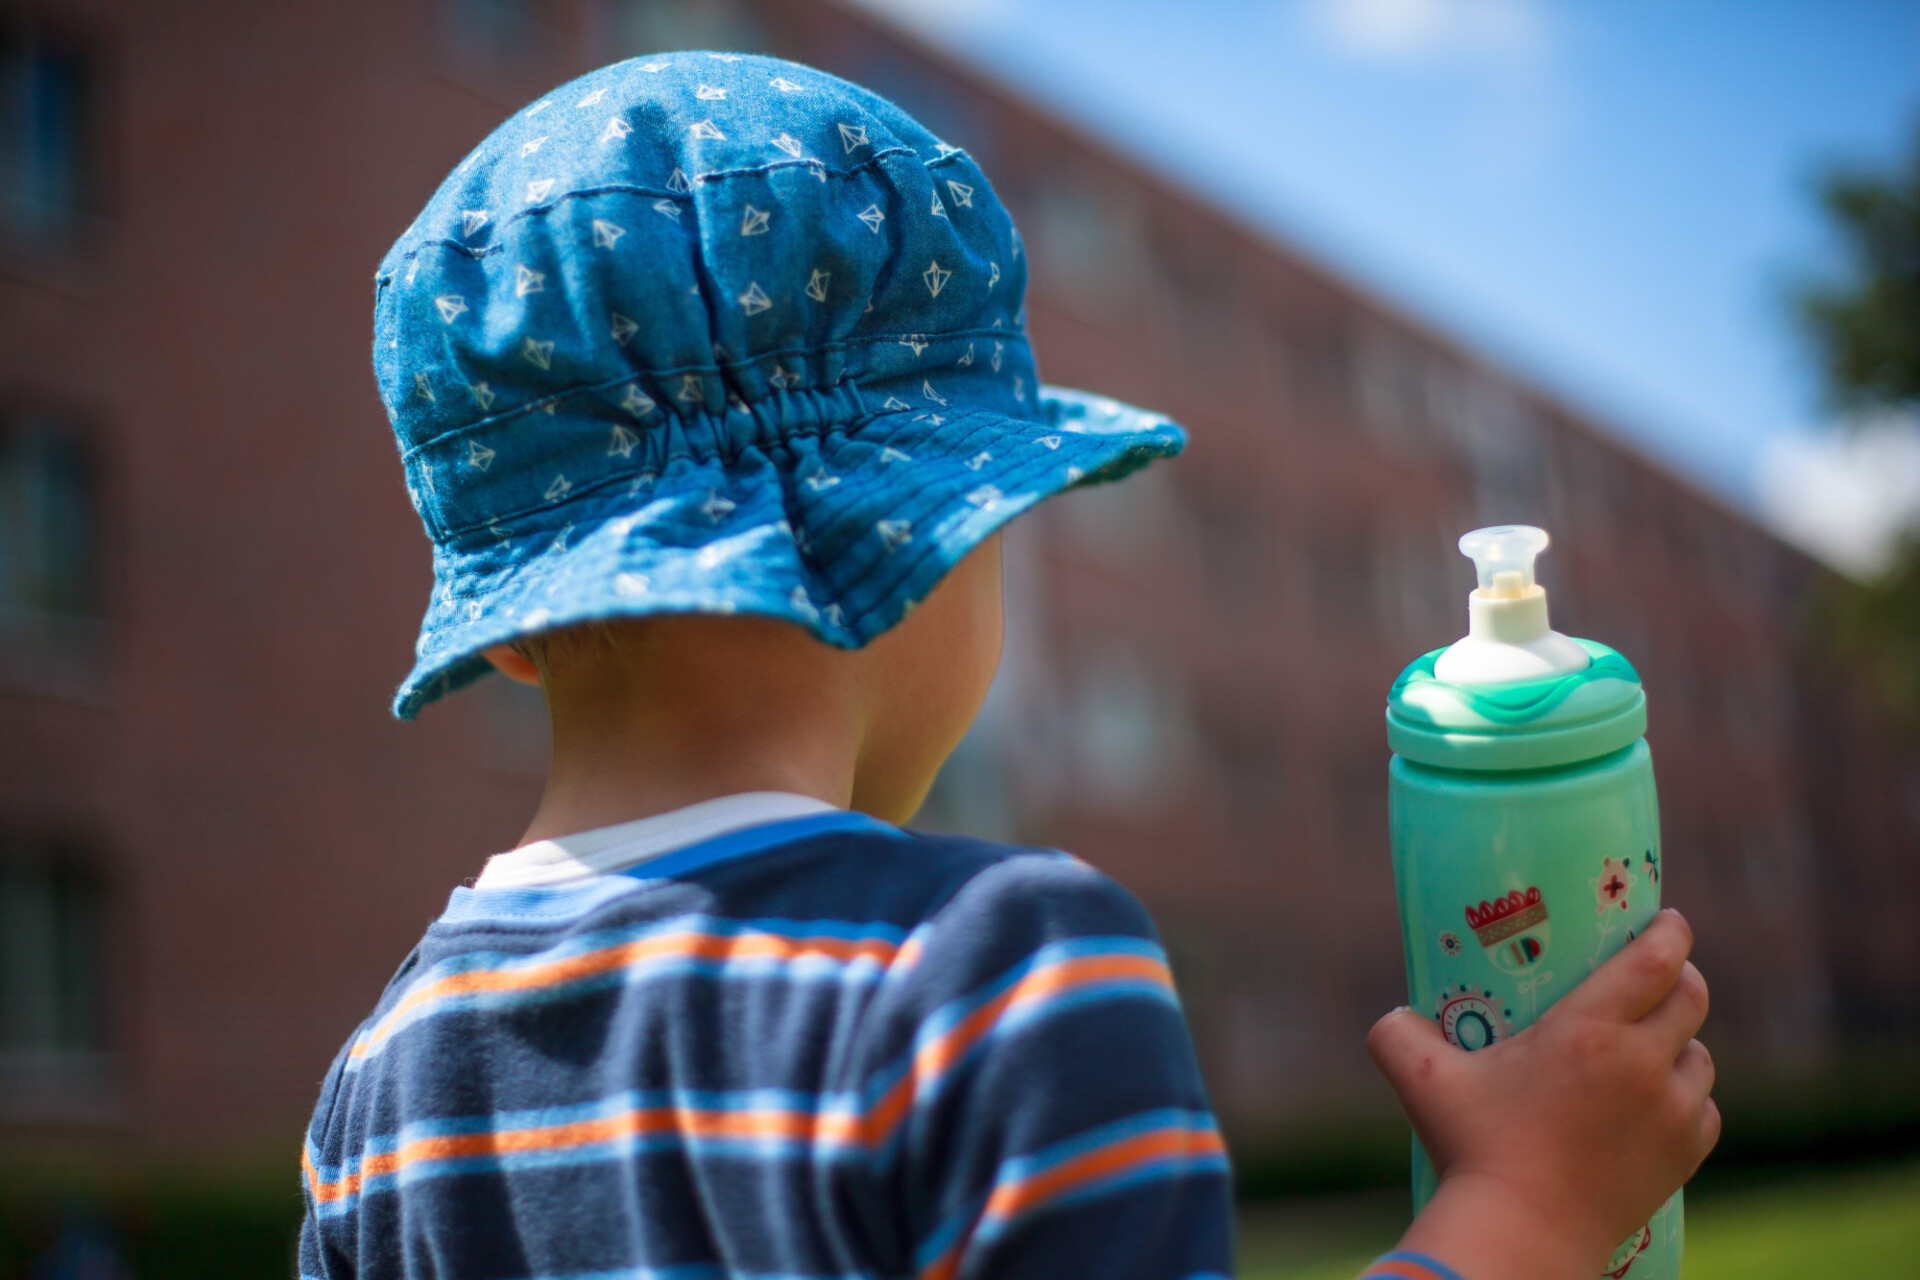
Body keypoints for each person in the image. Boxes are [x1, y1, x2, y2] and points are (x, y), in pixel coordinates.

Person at [299, 53, 1717, 1280]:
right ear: (907, 536)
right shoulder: (992, 971)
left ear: (525, 626)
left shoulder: (379, 1092)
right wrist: (1528, 1203)